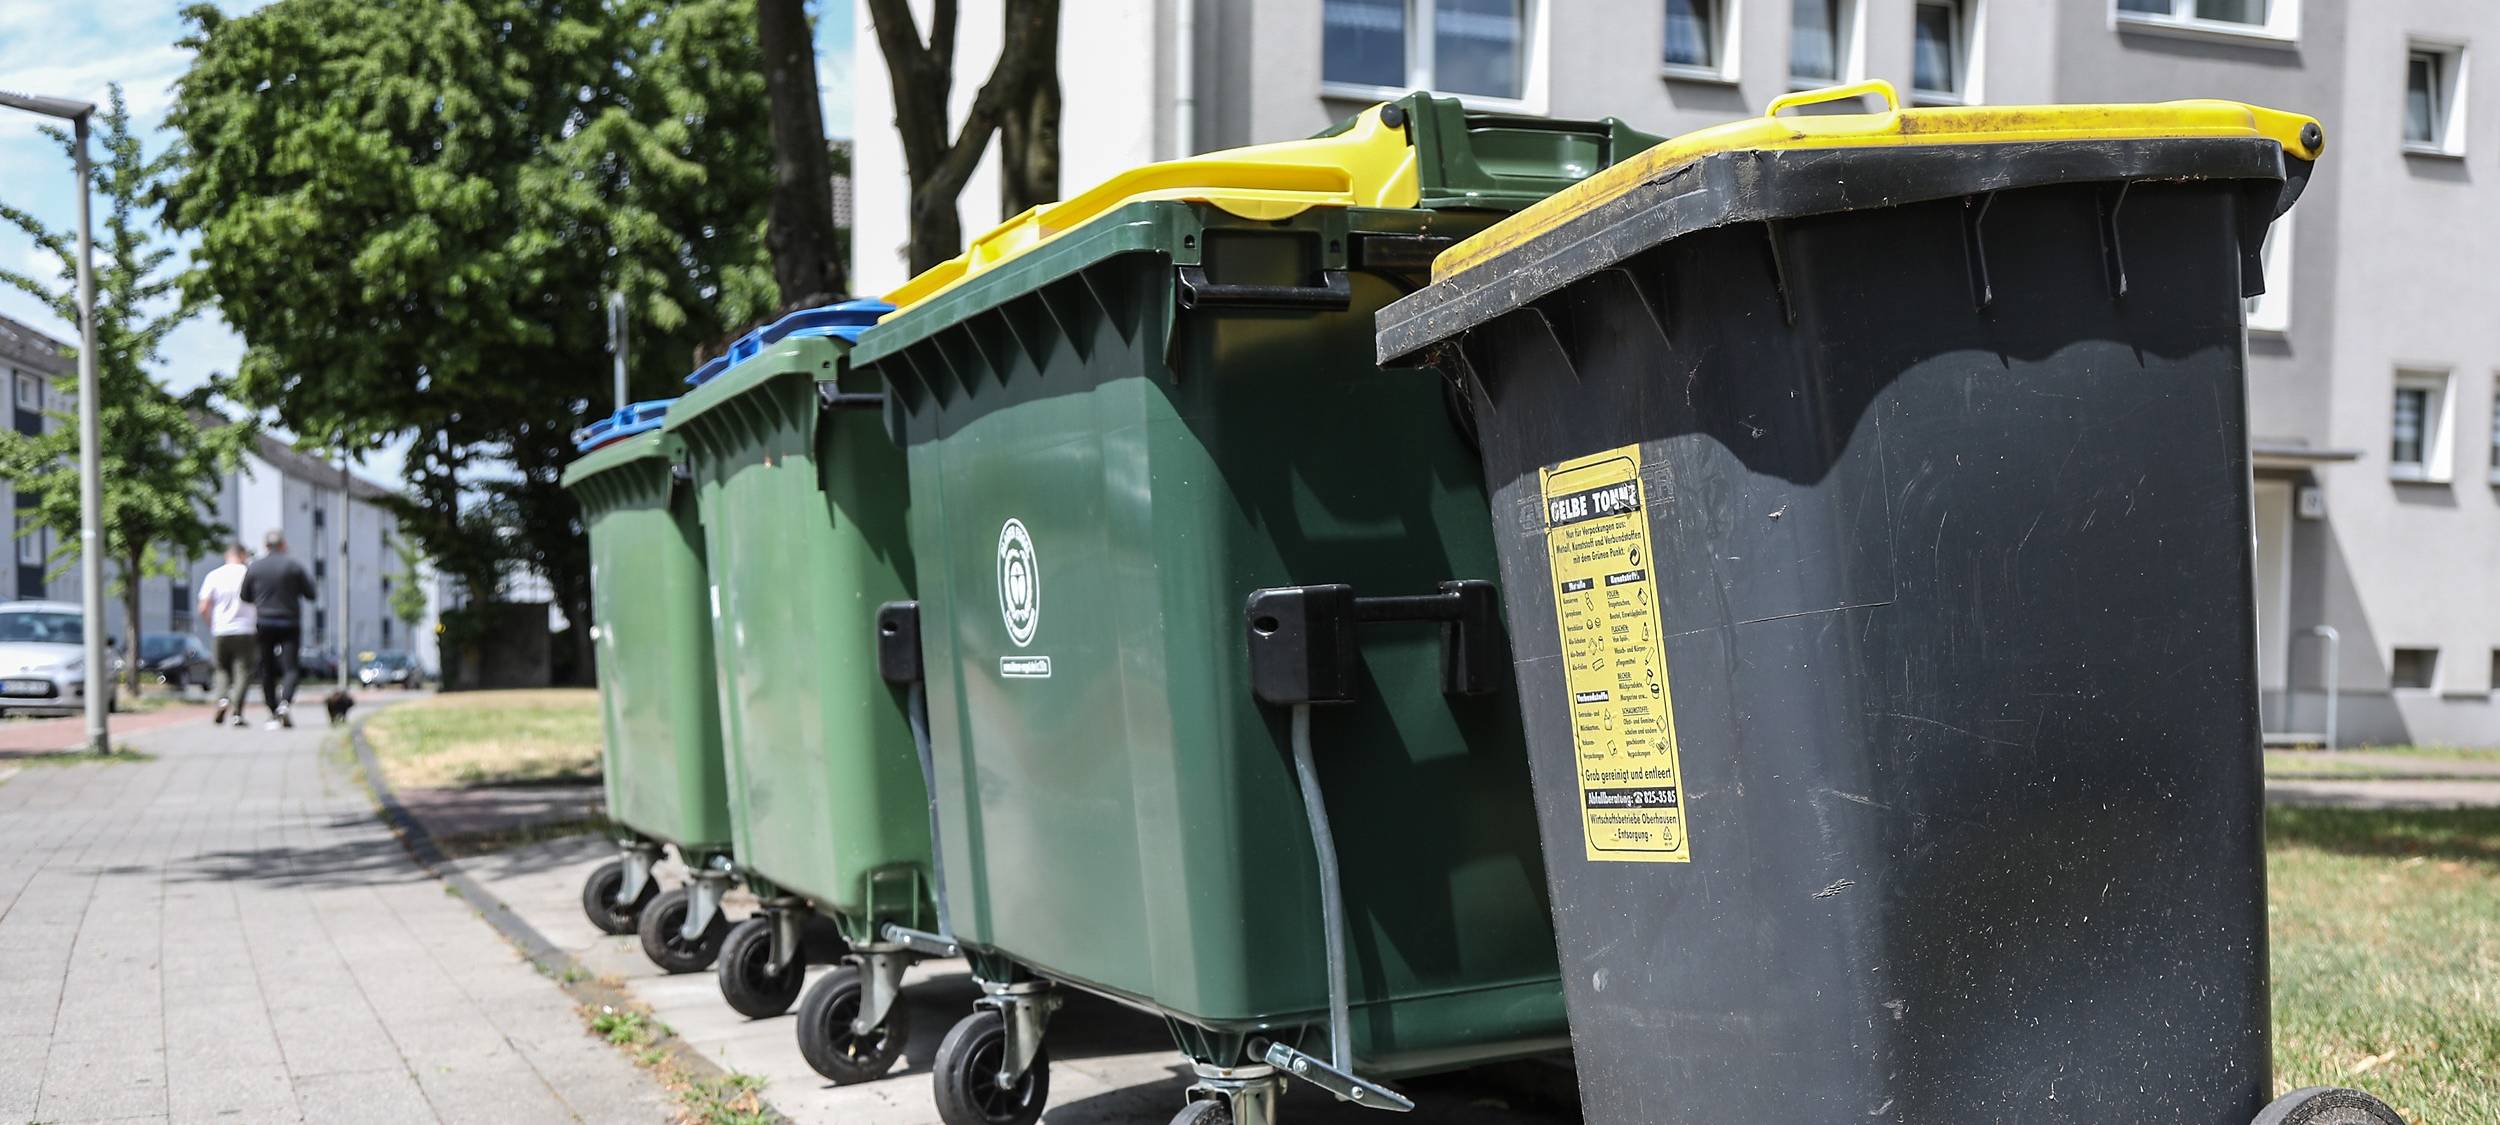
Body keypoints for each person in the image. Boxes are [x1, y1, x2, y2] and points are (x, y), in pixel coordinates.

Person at [240, 529, 317, 729]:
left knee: (267, 669)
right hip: (289, 622)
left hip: (264, 622)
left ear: (266, 546)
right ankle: (285, 703)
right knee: (290, 667)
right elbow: (311, 594)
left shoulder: (255, 567)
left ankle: (272, 710)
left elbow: (245, 597)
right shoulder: (294, 566)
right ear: (283, 545)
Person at [194, 542, 257, 726]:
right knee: (243, 672)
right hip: (246, 629)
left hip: (221, 629)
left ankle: (222, 699)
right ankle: (237, 712)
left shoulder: (214, 575)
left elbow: (203, 606)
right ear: (243, 555)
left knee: (221, 669)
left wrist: (212, 624)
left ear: (227, 555)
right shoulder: (249, 574)